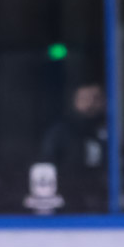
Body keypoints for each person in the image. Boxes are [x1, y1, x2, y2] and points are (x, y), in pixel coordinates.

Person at [39, 83, 109, 212]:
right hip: (70, 203)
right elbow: (48, 165)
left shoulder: (114, 131)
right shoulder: (60, 133)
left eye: (96, 98)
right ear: (75, 101)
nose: (90, 104)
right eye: (85, 99)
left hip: (106, 202)